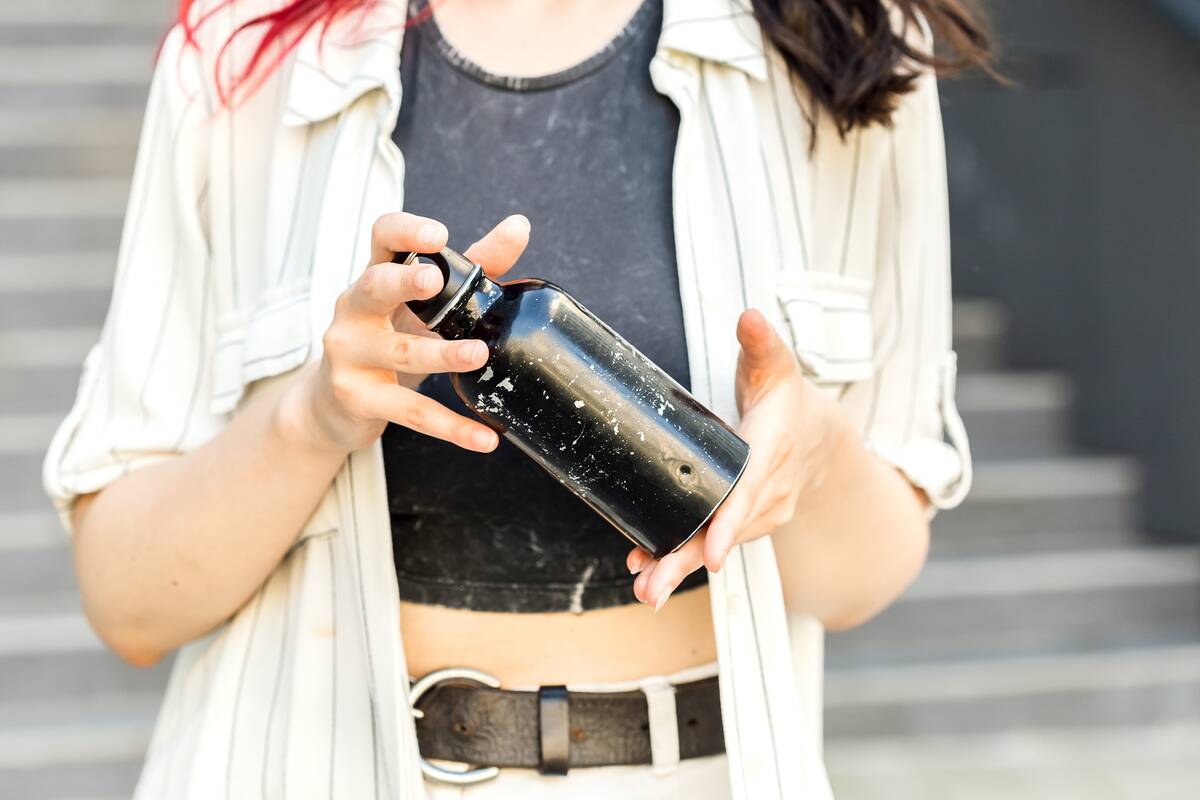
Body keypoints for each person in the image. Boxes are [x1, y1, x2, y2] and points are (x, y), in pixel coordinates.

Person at [42, 0, 986, 796]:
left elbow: (862, 581)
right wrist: (310, 418)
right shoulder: (246, 51)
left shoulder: (847, 42)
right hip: (308, 765)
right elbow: (129, 604)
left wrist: (806, 459)